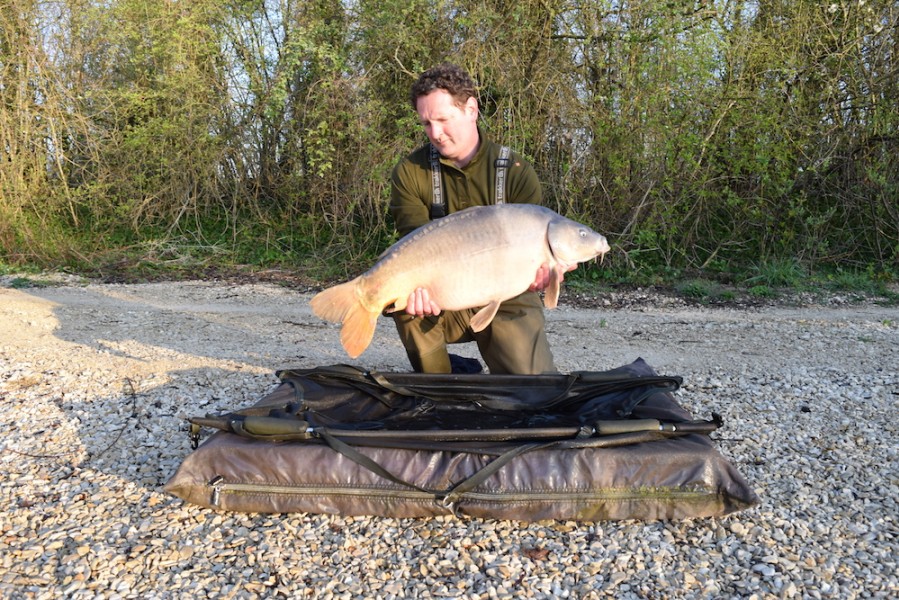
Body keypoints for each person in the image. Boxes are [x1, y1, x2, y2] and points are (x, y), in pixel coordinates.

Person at [388, 63, 565, 375]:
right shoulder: (410, 172)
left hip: (507, 298)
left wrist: (545, 275)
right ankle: (440, 387)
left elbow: (536, 255)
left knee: (534, 390)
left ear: (471, 109)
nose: (435, 133)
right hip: (442, 295)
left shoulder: (517, 172)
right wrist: (413, 289)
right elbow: (412, 248)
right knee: (406, 302)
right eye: (427, 123)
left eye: (443, 120)